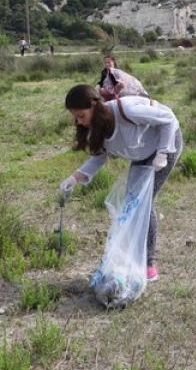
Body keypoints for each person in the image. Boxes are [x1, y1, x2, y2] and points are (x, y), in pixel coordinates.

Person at [60, 84, 183, 282]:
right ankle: (132, 258)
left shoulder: (126, 110)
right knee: (132, 203)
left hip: (165, 146)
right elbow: (99, 156)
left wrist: (163, 152)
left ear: (93, 105)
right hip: (141, 154)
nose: (79, 122)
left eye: (81, 116)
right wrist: (75, 178)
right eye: (76, 117)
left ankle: (148, 264)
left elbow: (168, 119)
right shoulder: (98, 126)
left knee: (144, 203)